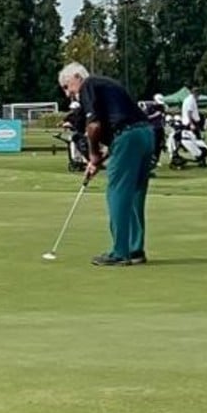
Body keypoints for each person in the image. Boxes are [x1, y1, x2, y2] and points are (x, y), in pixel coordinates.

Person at [58, 61, 155, 267]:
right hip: (146, 135)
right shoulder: (105, 84)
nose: (68, 94)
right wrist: (99, 159)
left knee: (117, 193)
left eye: (67, 87)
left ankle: (120, 252)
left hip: (128, 137)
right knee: (135, 193)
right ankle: (135, 248)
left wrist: (93, 155)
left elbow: (94, 126)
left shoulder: (88, 85)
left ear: (76, 77)